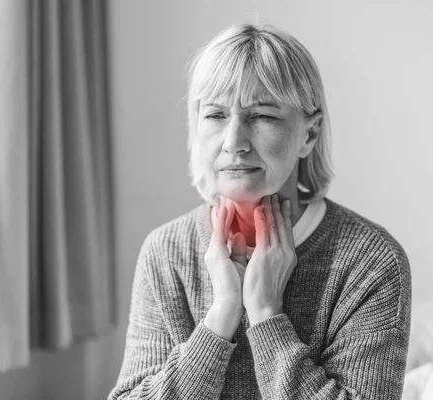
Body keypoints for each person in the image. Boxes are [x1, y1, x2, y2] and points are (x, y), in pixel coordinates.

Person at [108, 23, 411, 400]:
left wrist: (267, 315)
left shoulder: (370, 260)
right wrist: (221, 316)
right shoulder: (167, 251)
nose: (233, 142)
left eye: (262, 116)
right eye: (216, 116)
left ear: (310, 134)